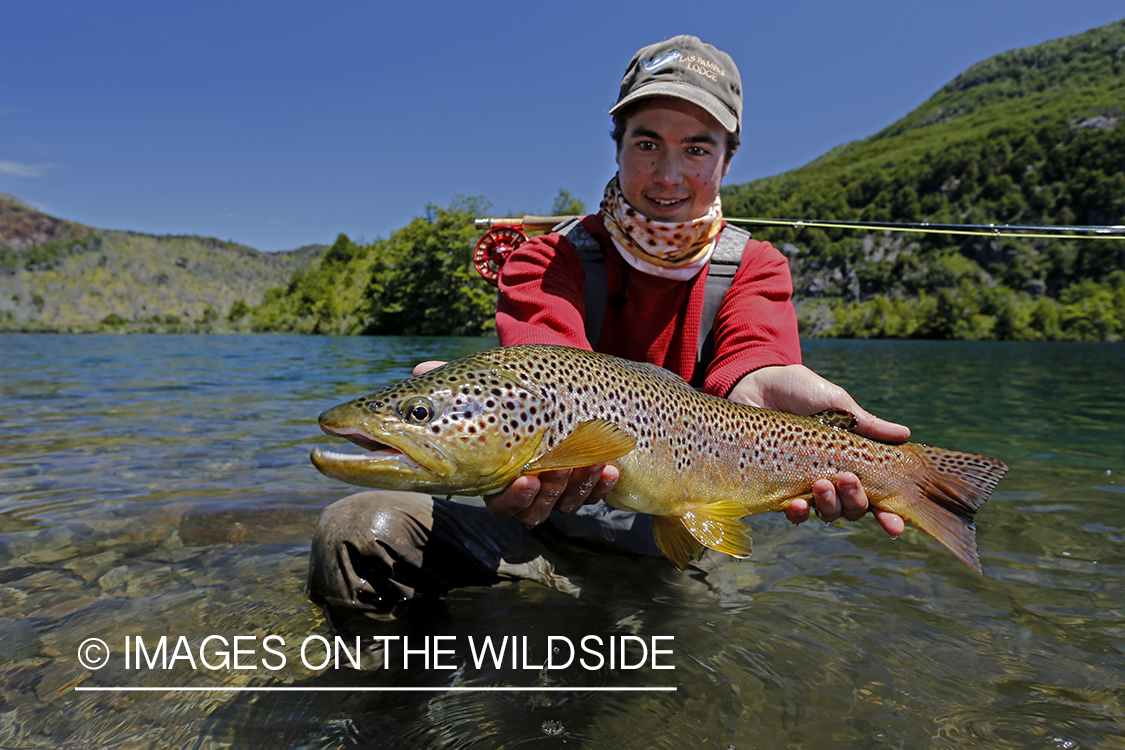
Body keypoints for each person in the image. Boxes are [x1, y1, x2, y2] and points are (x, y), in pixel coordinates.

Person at [306, 35, 908, 629]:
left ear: (728, 158)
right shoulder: (547, 258)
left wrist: (792, 403)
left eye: (698, 149)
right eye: (647, 143)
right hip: (535, 522)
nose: (669, 174)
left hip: (664, 546)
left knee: (686, 677)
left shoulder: (755, 266)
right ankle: (400, 706)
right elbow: (550, 372)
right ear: (617, 147)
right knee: (354, 532)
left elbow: (755, 365)